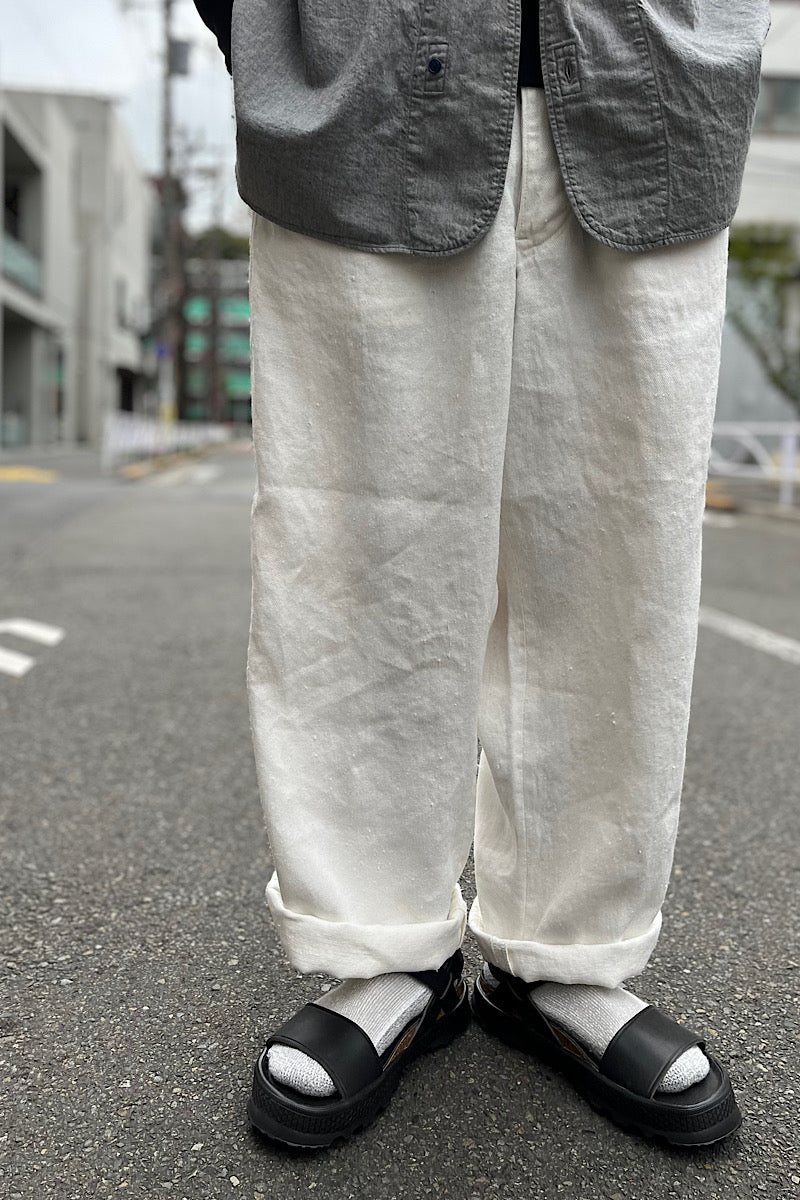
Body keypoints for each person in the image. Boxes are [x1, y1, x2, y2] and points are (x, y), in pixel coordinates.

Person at [192, 0, 770, 1150]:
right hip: (360, 81)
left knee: (621, 553)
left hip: (646, 70)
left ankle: (569, 951)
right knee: (357, 548)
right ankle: (378, 946)